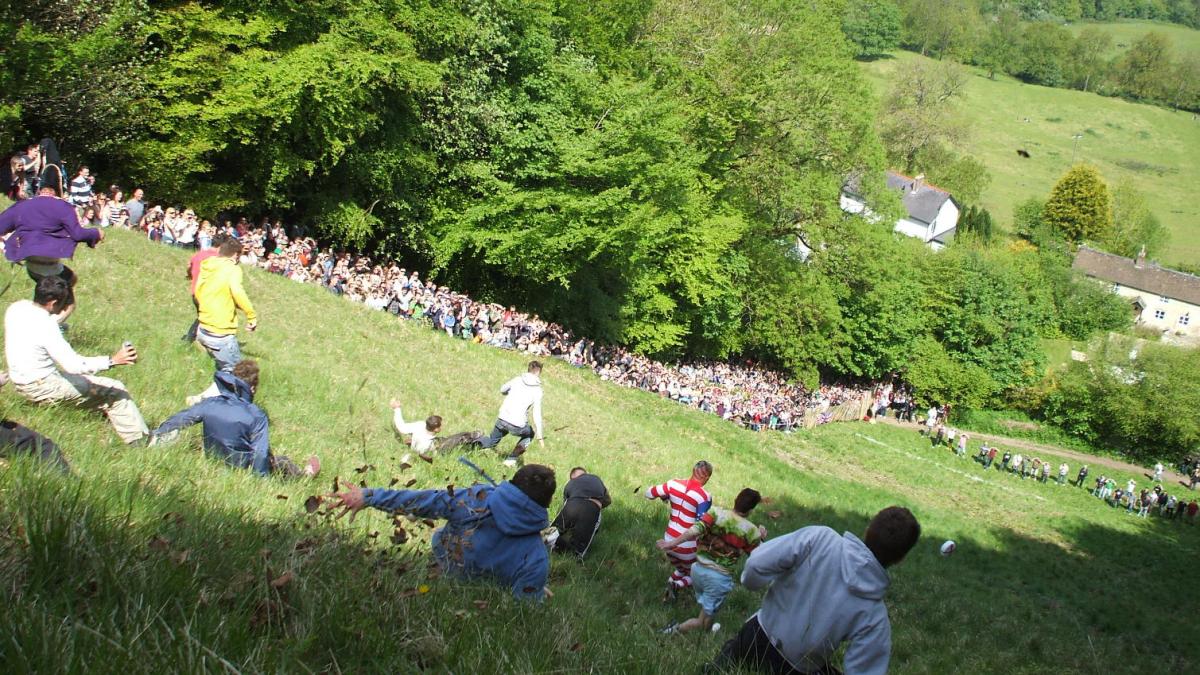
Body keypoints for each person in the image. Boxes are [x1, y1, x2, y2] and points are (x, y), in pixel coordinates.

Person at [709, 506, 921, 675]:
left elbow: (756, 565)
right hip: (797, 667)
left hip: (756, 637)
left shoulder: (820, 539)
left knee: (722, 664)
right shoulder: (875, 615)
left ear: (867, 530)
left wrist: (750, 582)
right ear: (900, 559)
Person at [327, 464, 557, 600]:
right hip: (474, 600)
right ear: (545, 506)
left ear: (510, 484)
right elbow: (522, 612)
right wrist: (534, 589)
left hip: (434, 570)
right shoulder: (536, 560)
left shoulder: (474, 500)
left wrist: (369, 496)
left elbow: (424, 501)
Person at [4, 277, 149, 445]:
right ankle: (141, 441)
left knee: (92, 388)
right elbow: (74, 365)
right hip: (43, 386)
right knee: (115, 389)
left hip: (18, 381)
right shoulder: (47, 326)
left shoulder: (17, 308)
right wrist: (112, 360)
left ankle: (109, 420)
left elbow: (38, 329)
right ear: (53, 303)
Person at [150, 360, 318, 478]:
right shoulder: (256, 415)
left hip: (214, 460)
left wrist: (156, 433)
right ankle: (306, 475)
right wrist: (260, 480)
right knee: (282, 462)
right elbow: (260, 453)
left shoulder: (210, 404)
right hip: (243, 468)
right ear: (252, 388)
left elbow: (180, 419)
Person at [660, 488, 766, 636]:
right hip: (718, 580)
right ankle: (670, 632)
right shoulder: (751, 531)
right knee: (701, 621)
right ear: (750, 510)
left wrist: (672, 543)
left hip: (696, 571)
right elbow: (760, 556)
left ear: (736, 500)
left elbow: (694, 531)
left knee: (709, 613)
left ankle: (707, 632)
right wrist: (761, 538)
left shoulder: (715, 513)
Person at [0, 184, 104, 325]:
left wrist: (7, 248)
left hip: (32, 265)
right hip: (49, 266)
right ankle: (48, 329)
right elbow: (78, 233)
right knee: (68, 305)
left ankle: (45, 324)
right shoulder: (62, 206)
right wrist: (96, 233)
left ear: (40, 192)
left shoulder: (23, 205)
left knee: (70, 279)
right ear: (56, 192)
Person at [190, 238, 257, 401]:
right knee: (240, 375)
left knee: (226, 369)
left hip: (203, 327)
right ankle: (204, 401)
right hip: (220, 331)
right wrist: (251, 315)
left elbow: (197, 291)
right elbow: (237, 291)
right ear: (235, 255)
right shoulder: (232, 269)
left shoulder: (208, 265)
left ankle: (210, 398)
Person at [646, 460, 714, 599]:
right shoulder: (704, 497)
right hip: (686, 545)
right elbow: (700, 525)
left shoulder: (673, 484)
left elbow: (649, 493)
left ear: (693, 470)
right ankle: (677, 586)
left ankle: (668, 593)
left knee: (680, 569)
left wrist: (665, 495)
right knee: (695, 575)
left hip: (668, 540)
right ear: (706, 477)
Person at [477, 360, 544, 467]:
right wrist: (540, 435)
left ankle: (471, 443)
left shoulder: (517, 380)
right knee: (530, 434)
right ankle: (511, 460)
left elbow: (502, 389)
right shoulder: (537, 390)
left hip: (502, 419)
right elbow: (537, 414)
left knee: (492, 441)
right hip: (517, 425)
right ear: (538, 372)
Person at [550, 466, 611, 560]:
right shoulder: (596, 479)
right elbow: (608, 500)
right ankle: (569, 549)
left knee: (551, 532)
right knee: (578, 553)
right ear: (585, 473)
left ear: (572, 477)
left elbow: (564, 505)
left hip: (572, 504)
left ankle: (554, 543)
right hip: (592, 508)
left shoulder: (570, 483)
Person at [181, 232, 228, 342]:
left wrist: (190, 275)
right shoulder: (218, 259)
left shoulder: (199, 254)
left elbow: (189, 267)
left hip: (195, 292)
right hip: (207, 294)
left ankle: (199, 340)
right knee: (206, 318)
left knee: (205, 317)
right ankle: (190, 339)